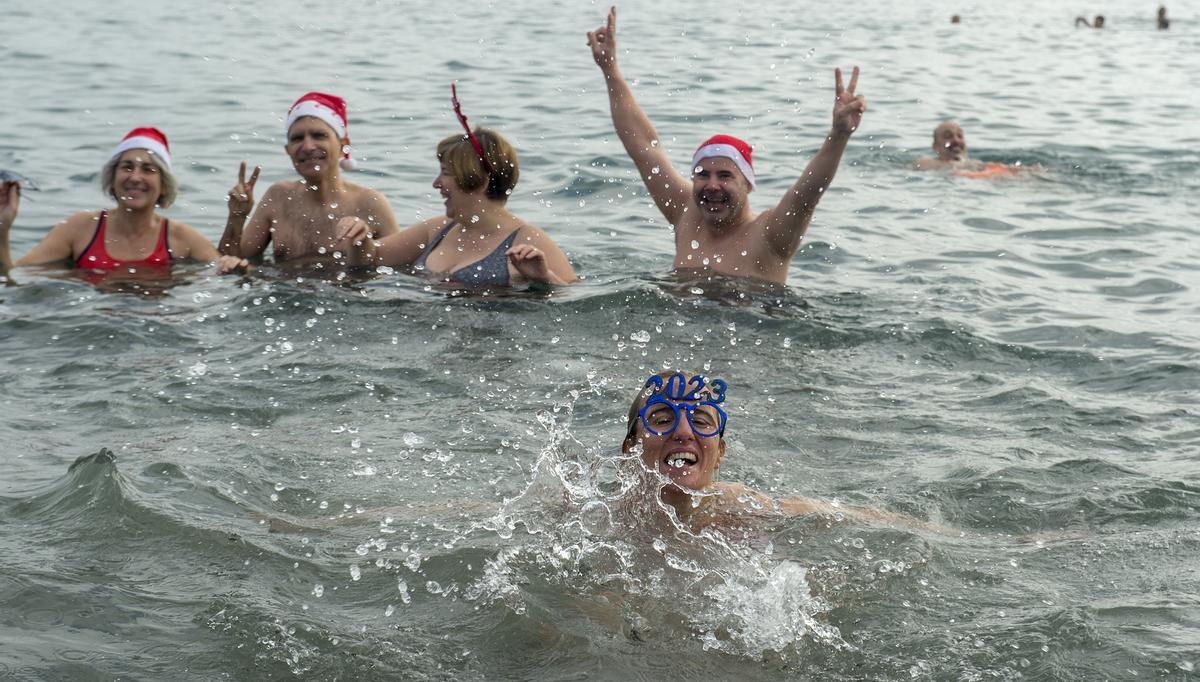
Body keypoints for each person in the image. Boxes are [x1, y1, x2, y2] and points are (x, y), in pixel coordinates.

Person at [586, 7, 866, 285]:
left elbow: (806, 195)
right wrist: (610, 70)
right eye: (702, 174)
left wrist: (838, 135)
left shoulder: (770, 235)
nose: (712, 186)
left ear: (748, 184)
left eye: (725, 176)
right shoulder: (687, 214)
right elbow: (644, 147)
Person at [623, 370, 951, 532]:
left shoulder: (739, 507)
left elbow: (840, 514)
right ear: (630, 448)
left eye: (700, 421)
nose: (683, 432)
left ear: (720, 452)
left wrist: (937, 533)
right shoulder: (600, 522)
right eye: (662, 419)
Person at [340, 86, 575, 286]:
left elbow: (571, 301)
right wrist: (359, 239)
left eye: (445, 174)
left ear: (480, 181)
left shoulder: (528, 240)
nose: (436, 184)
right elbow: (371, 260)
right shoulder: (438, 229)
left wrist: (545, 279)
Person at [0, 127, 226, 281]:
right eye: (127, 167)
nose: (135, 177)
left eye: (148, 169)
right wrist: (3, 228)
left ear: (164, 184)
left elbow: (226, 273)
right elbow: (13, 276)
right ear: (112, 177)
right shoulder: (78, 229)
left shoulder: (183, 239)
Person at [219, 92, 400, 271]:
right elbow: (231, 261)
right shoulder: (278, 197)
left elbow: (399, 271)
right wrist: (236, 218)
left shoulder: (371, 203)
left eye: (319, 135)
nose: (307, 146)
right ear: (288, 150)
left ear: (343, 145)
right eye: (297, 139)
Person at [913, 120, 1029, 178]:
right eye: (948, 136)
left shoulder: (977, 164)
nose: (956, 140)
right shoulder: (925, 162)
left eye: (960, 136)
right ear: (935, 146)